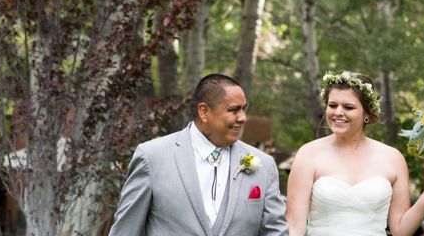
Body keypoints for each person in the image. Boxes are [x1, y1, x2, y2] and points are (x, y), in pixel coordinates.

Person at [109, 73, 289, 236]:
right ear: (204, 112)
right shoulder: (152, 157)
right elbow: (126, 230)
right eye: (234, 110)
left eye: (244, 109)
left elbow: (276, 232)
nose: (243, 117)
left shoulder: (264, 166)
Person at [286, 71, 424, 236]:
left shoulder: (392, 158)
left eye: (348, 107)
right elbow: (294, 227)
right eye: (332, 105)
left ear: (367, 114)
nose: (338, 112)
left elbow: (400, 231)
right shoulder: (308, 154)